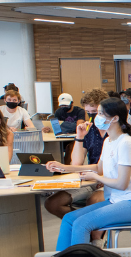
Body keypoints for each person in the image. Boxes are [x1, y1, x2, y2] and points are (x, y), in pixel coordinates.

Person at [53, 97, 131, 251]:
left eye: (100, 113)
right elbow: (99, 168)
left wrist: (96, 178)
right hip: (117, 200)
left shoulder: (126, 143)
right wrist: (65, 168)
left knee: (82, 224)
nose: (95, 117)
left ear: (115, 118)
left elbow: (121, 183)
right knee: (69, 219)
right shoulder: (109, 141)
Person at [42, 89, 110, 219]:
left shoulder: (115, 130)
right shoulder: (90, 130)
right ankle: (86, 229)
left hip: (110, 180)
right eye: (88, 113)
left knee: (93, 201)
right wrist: (79, 137)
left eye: (95, 112)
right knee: (53, 203)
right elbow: (76, 163)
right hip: (91, 178)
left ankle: (92, 235)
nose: (92, 116)